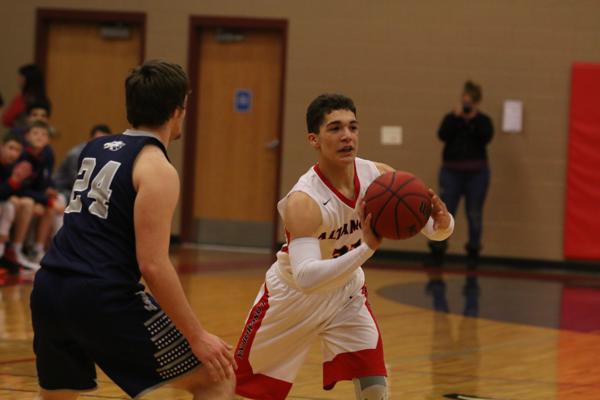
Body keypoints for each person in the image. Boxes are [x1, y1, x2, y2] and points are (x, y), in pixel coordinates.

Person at [30, 60, 236, 400]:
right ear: (177, 111)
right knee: (216, 378)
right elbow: (153, 265)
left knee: (58, 397)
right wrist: (197, 335)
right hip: (101, 295)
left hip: (49, 288)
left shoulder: (94, 149)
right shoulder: (157, 168)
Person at [234, 94, 454, 400]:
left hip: (345, 295)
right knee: (240, 392)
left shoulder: (380, 177)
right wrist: (366, 249)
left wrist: (444, 223)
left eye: (352, 127)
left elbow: (435, 231)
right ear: (314, 139)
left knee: (375, 387)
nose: (347, 135)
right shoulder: (304, 201)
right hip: (291, 300)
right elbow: (307, 278)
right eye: (335, 128)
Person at [427, 80, 493, 269]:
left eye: (469, 103)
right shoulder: (451, 118)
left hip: (477, 174)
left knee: (474, 213)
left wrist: (472, 120)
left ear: (476, 103)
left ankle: (473, 254)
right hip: (451, 173)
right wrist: (456, 119)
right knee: (444, 211)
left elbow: (486, 137)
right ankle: (437, 252)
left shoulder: (483, 121)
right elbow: (442, 135)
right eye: (464, 101)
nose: (466, 106)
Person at [11, 121, 62, 269]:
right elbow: (20, 188)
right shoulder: (22, 154)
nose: (40, 137)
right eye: (36, 133)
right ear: (27, 136)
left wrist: (50, 190)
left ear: (48, 139)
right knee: (32, 204)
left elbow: (45, 180)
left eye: (44, 134)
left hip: (31, 195)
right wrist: (47, 200)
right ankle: (16, 250)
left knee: (51, 206)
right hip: (16, 195)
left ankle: (38, 250)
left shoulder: (47, 154)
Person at [0, 133, 33, 274]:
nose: (13, 153)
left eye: (17, 150)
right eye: (10, 148)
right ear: (2, 147)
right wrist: (13, 181)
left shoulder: (12, 166)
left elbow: (24, 191)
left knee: (11, 206)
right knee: (7, 206)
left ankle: (11, 251)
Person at [54, 124, 112, 200]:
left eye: (105, 141)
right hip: (61, 191)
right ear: (90, 140)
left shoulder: (105, 154)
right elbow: (78, 182)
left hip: (83, 190)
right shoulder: (76, 154)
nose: (101, 144)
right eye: (98, 140)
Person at [2, 64, 49, 129]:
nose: (18, 80)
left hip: (21, 133)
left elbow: (6, 119)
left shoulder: (22, 100)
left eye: (21, 77)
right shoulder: (45, 101)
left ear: (27, 80)